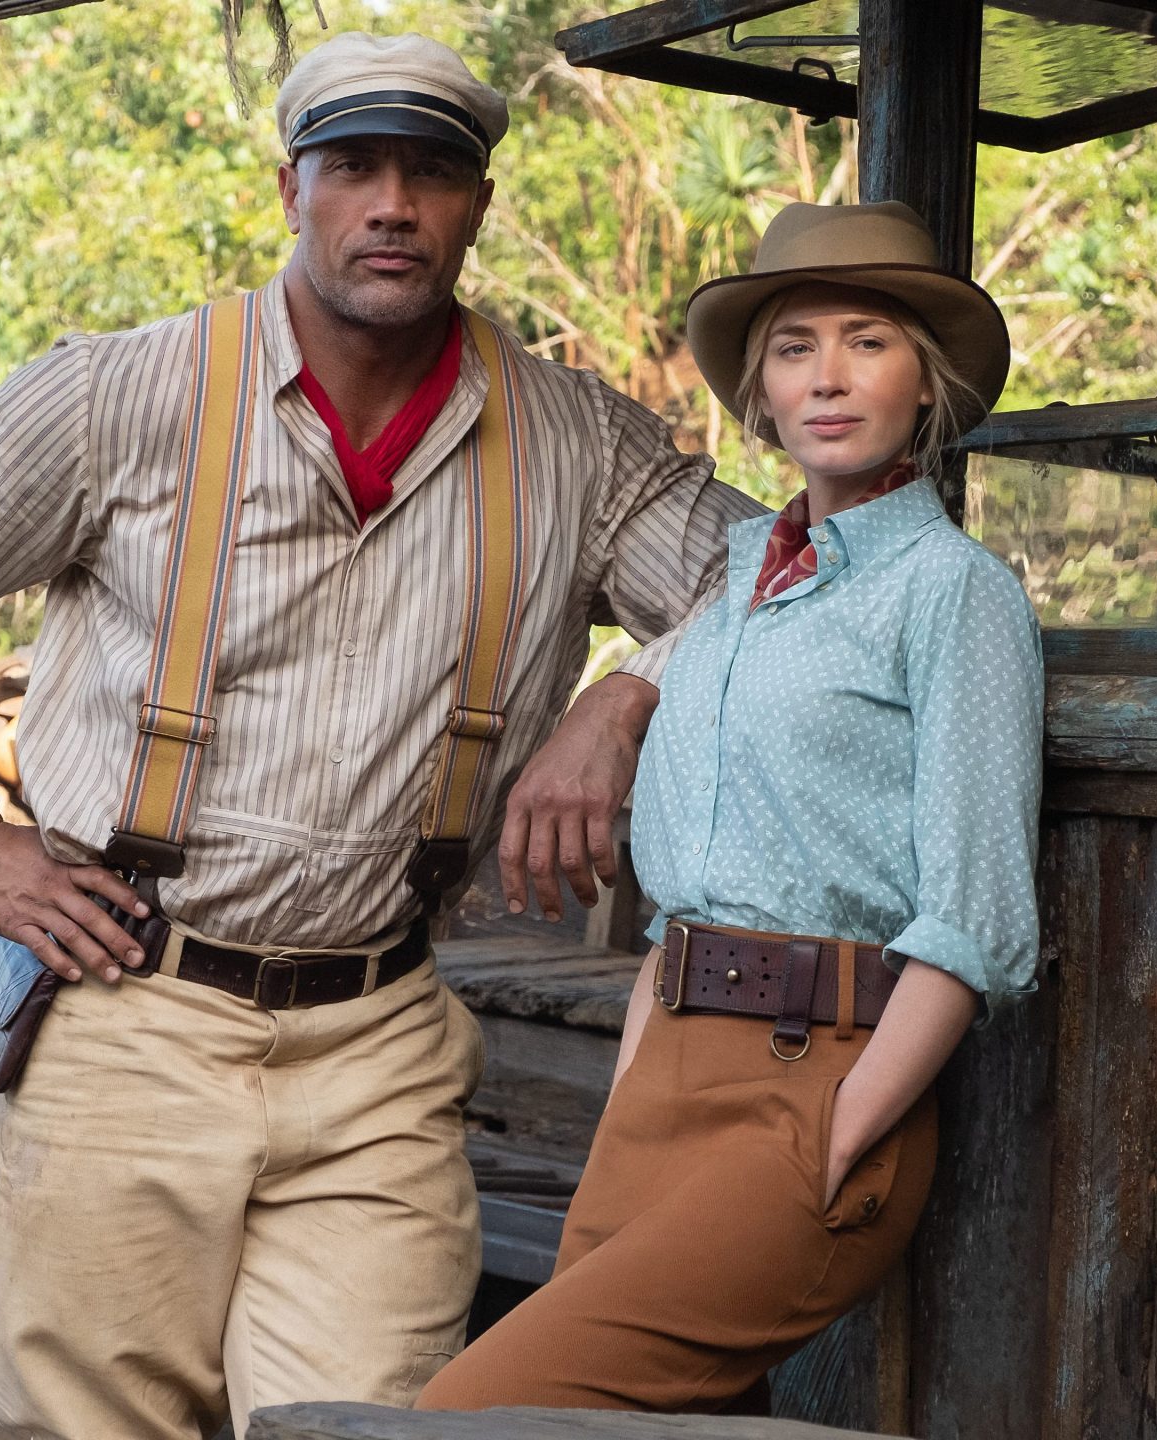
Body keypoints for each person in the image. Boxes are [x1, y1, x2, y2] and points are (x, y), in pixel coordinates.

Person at [0, 31, 764, 1440]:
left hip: (379, 1036)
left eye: (433, 174)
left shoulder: (575, 442)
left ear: (476, 208)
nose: (394, 204)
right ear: (291, 190)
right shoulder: (123, 394)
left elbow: (784, 582)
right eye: (356, 168)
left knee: (366, 1425)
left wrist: (626, 697)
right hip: (127, 1008)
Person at [418, 201, 1045, 1414]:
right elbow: (686, 896)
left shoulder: (953, 594)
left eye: (867, 341)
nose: (828, 376)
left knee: (475, 1415)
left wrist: (846, 1122)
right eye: (795, 346)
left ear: (928, 380)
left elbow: (975, 915)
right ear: (759, 390)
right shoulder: (737, 588)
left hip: (820, 1084)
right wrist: (639, 1081)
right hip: (661, 1080)